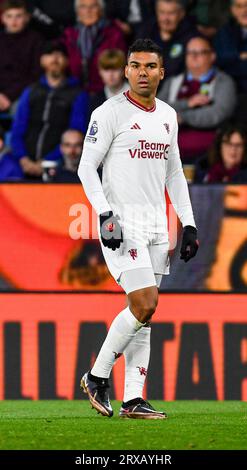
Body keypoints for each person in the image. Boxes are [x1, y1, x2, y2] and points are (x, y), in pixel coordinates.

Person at [78, 38, 199, 419]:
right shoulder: (108, 113)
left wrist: (189, 222)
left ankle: (133, 398)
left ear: (162, 72)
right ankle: (96, 376)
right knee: (145, 302)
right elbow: (85, 167)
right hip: (121, 225)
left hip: (156, 227)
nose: (142, 73)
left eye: (150, 66)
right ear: (127, 71)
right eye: (135, 66)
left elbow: (175, 172)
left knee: (143, 314)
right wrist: (104, 214)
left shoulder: (167, 115)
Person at [11, 42, 88, 179]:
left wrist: (46, 162)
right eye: (50, 54)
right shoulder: (31, 91)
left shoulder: (77, 94)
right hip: (23, 163)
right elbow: (17, 130)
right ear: (42, 60)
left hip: (59, 164)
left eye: (60, 55)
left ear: (67, 61)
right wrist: (23, 158)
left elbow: (76, 133)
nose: (55, 58)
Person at [158, 36, 237, 161]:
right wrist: (187, 103)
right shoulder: (173, 82)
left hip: (208, 156)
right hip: (167, 154)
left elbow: (217, 114)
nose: (194, 56)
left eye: (200, 52)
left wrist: (183, 118)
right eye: (190, 52)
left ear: (212, 56)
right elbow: (156, 110)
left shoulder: (223, 81)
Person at [62, 0, 127, 94]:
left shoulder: (113, 33)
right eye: (83, 7)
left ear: (101, 10)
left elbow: (119, 64)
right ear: (77, 12)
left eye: (93, 6)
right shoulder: (69, 34)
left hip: (106, 92)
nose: (88, 11)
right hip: (75, 91)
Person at [0, 0, 43, 114]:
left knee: (20, 109)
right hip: (1, 94)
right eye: (9, 16)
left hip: (22, 93)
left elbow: (35, 75)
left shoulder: (35, 40)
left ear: (26, 18)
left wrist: (9, 96)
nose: (14, 21)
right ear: (3, 19)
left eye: (18, 16)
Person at [136, 0, 199, 78]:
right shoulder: (145, 31)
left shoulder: (192, 38)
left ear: (182, 14)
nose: (166, 19)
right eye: (162, 12)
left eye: (171, 13)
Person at [215, 0, 247, 93]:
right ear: (233, 10)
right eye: (239, 6)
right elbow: (220, 60)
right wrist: (241, 56)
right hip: (227, 90)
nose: (245, 10)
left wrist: (234, 58)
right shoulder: (225, 31)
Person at [89, 49, 129, 113]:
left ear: (124, 70)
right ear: (100, 72)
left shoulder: (138, 96)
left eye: (115, 69)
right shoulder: (96, 101)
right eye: (106, 69)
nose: (110, 74)